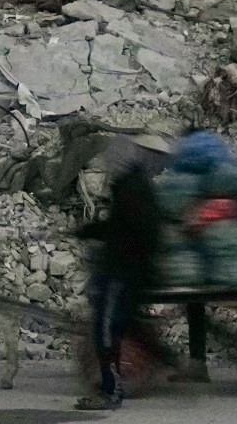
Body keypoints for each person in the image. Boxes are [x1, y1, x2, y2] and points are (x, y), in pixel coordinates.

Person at [73, 141, 161, 410]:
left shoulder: (131, 190)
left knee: (106, 332)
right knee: (108, 330)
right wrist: (88, 231)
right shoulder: (132, 185)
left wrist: (102, 237)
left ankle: (111, 393)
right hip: (121, 270)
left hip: (121, 273)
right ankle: (111, 387)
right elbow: (120, 227)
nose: (109, 165)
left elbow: (131, 232)